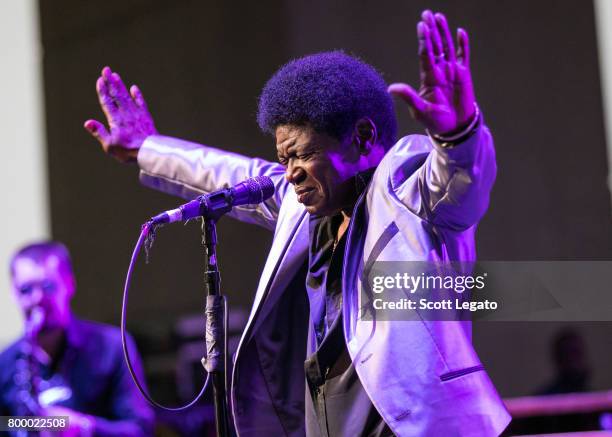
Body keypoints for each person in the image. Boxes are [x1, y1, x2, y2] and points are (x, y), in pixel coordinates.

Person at [84, 10, 511, 436]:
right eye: (283, 158)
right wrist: (145, 148)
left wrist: (458, 133)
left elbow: (458, 180)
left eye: (303, 154)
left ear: (362, 138)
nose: (290, 172)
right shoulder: (307, 209)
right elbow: (226, 174)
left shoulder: (407, 191)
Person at [0, 242, 155, 436]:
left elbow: (140, 429)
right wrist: (24, 425)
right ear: (13, 293)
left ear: (70, 283)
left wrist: (83, 427)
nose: (37, 298)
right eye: (25, 290)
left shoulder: (113, 347)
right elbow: (3, 425)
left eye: (48, 286)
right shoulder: (4, 363)